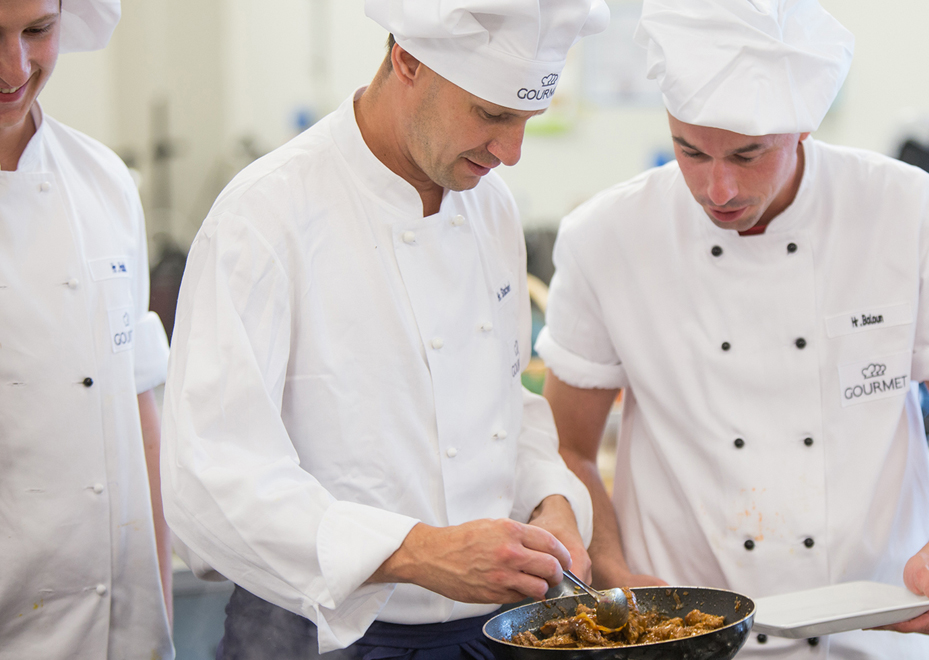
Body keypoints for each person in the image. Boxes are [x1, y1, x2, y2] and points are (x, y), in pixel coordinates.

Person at [536, 0, 929, 657]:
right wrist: (614, 572)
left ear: (803, 128)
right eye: (689, 150)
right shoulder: (607, 238)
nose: (717, 187)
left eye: (748, 154)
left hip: (888, 630)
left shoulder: (911, 213)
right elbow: (567, 448)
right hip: (694, 637)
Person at [160, 1, 608, 658]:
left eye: (526, 121)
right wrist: (414, 552)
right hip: (312, 634)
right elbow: (210, 478)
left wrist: (551, 498)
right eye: (491, 114)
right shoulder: (265, 215)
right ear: (408, 59)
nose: (510, 153)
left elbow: (503, 403)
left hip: (487, 630)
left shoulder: (491, 206)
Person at [0, 1, 174, 658]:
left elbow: (138, 413)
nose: (14, 67)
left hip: (122, 631)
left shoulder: (102, 181)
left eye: (37, 32)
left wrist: (156, 620)